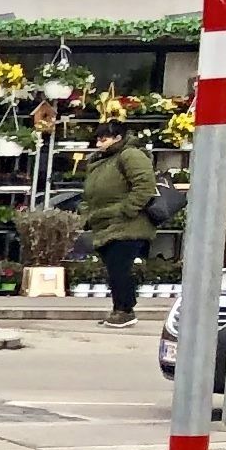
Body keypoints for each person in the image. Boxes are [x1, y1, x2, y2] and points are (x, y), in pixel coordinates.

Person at [78, 132, 159, 323]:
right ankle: (119, 309)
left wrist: (128, 209)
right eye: (98, 139)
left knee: (119, 266)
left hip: (128, 224)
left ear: (117, 137)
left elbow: (145, 184)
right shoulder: (100, 161)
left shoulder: (130, 155)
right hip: (106, 221)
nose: (99, 143)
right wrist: (87, 212)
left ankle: (124, 310)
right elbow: (89, 193)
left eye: (103, 138)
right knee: (115, 268)